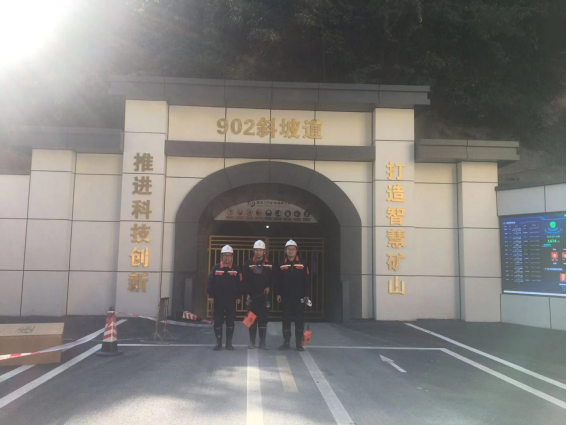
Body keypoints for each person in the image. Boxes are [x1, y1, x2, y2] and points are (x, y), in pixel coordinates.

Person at [274, 240, 311, 351]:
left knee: (299, 320)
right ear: (285, 251)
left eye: (293, 249)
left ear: (296, 250)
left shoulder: (303, 264)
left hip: (299, 297)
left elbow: (307, 280)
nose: (291, 251)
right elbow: (277, 280)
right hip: (286, 297)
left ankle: (298, 344)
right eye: (289, 249)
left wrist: (307, 295)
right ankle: (286, 341)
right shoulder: (281, 264)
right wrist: (278, 293)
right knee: (286, 320)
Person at [207, 245, 242, 351]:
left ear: (232, 257)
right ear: (221, 256)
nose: (227, 257)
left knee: (230, 322)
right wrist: (211, 296)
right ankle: (218, 343)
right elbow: (210, 283)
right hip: (218, 300)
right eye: (225, 255)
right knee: (218, 322)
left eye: (229, 255)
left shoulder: (236, 269)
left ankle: (229, 344)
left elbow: (240, 284)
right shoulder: (216, 268)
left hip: (231, 300)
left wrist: (238, 296)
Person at [242, 240, 273, 350]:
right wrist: (247, 293)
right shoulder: (248, 263)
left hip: (264, 297)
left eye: (260, 250)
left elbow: (273, 278)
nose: (258, 252)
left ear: (264, 251)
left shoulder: (269, 264)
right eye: (256, 250)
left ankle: (262, 343)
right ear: (253, 251)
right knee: (251, 319)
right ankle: (252, 342)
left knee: (263, 320)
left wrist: (269, 287)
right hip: (252, 297)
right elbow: (244, 279)